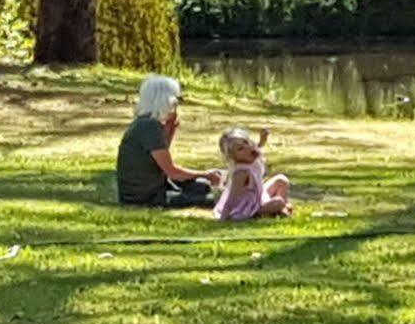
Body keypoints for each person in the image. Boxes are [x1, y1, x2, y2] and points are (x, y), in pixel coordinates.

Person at [116, 75, 221, 208]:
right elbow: (172, 171)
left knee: (202, 187)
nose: (176, 103)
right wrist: (205, 174)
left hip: (155, 187)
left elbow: (162, 156)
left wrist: (170, 127)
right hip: (145, 197)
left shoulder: (147, 123)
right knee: (210, 199)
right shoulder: (148, 126)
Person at [212, 126, 293, 220]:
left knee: (281, 180)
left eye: (246, 142)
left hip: (258, 197)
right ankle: (266, 212)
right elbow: (232, 198)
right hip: (246, 208)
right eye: (240, 148)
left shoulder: (250, 158)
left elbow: (257, 148)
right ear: (233, 156)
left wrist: (262, 141)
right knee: (278, 202)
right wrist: (223, 218)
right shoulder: (241, 173)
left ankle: (279, 210)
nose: (247, 148)